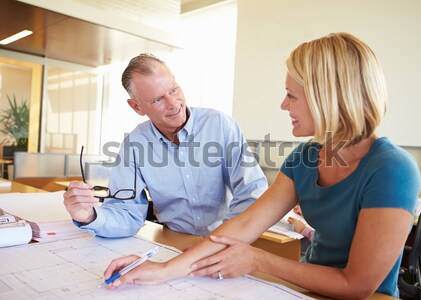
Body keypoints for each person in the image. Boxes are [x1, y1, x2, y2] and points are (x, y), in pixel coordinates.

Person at [101, 33, 421, 298]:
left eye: (291, 95)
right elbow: (244, 224)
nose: (283, 105)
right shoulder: (304, 158)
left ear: (327, 97)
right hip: (304, 287)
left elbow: (359, 286)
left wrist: (257, 259)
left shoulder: (392, 168)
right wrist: (163, 270)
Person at [63, 54, 268, 237]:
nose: (173, 103)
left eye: (173, 89)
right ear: (137, 107)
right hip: (174, 242)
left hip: (228, 239)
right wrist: (89, 216)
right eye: (158, 99)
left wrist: (223, 239)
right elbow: (126, 213)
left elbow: (252, 191)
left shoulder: (220, 125)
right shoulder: (134, 144)